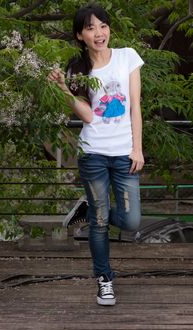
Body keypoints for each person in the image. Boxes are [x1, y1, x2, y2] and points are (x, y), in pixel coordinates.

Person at [48, 3, 144, 306]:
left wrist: (137, 148)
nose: (99, 33)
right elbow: (88, 117)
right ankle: (104, 280)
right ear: (80, 35)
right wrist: (64, 88)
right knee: (101, 222)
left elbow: (135, 108)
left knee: (131, 221)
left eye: (102, 25)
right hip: (93, 153)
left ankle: (87, 210)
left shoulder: (128, 57)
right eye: (90, 28)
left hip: (125, 152)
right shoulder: (77, 69)